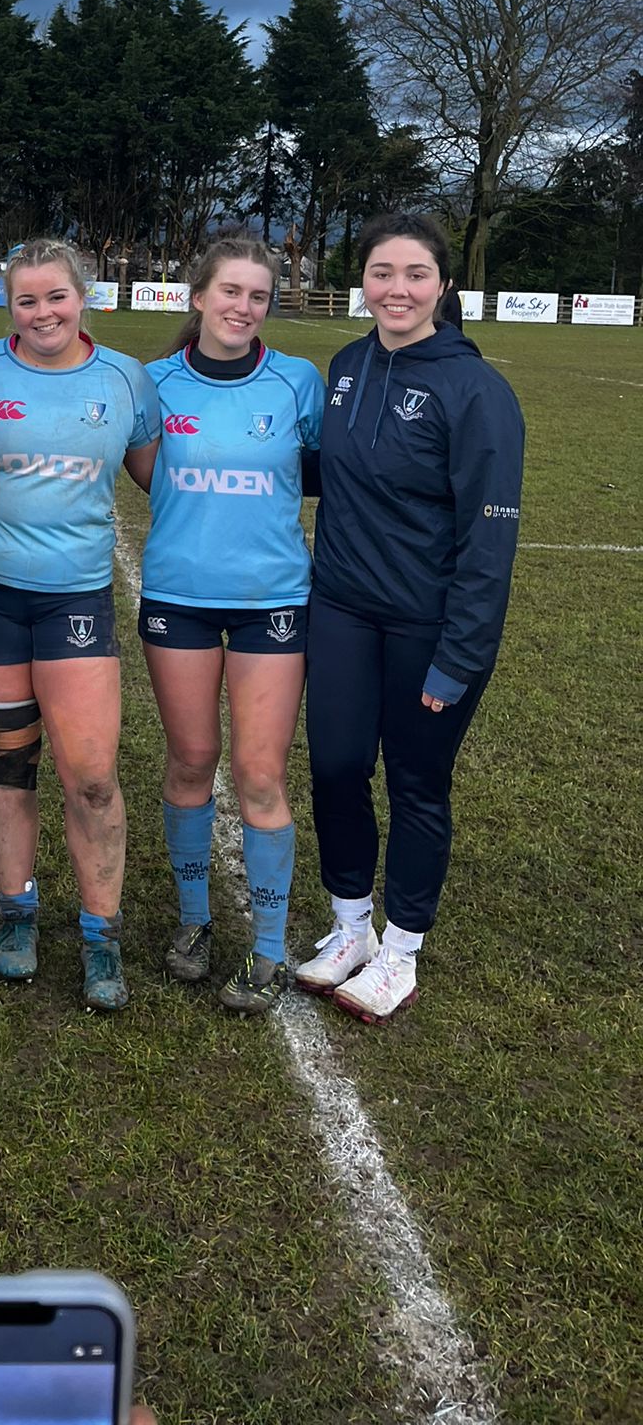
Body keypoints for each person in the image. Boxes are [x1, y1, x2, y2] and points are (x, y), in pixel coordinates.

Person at [299, 213, 524, 1022]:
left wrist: (460, 655)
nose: (397, 289)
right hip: (342, 611)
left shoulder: (477, 390)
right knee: (335, 767)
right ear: (363, 281)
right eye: (382, 273)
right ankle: (351, 926)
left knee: (417, 782)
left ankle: (400, 950)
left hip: (430, 627)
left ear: (443, 285)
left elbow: (489, 540)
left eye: (416, 274)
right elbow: (326, 470)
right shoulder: (346, 365)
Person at [0, 238, 160, 1010]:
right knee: (8, 759)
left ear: (83, 298)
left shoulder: (126, 380)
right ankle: (17, 912)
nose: (43, 313)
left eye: (56, 297)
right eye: (27, 300)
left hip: (75, 598)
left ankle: (102, 935)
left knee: (92, 777)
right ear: (9, 306)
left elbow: (161, 481)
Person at [127, 238, 324, 1013]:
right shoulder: (153, 384)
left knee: (260, 774)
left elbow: (319, 474)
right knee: (190, 759)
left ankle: (269, 951)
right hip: (179, 595)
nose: (243, 307)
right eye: (230, 291)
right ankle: (193, 922)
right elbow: (149, 474)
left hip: (273, 600)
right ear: (198, 296)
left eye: (257, 295)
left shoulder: (298, 381)